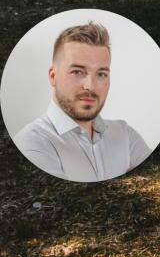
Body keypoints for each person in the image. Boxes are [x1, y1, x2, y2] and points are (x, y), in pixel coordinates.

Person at [13, 21, 151, 181]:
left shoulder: (124, 134)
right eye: (77, 72)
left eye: (101, 74)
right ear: (53, 76)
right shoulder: (31, 143)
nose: (90, 86)